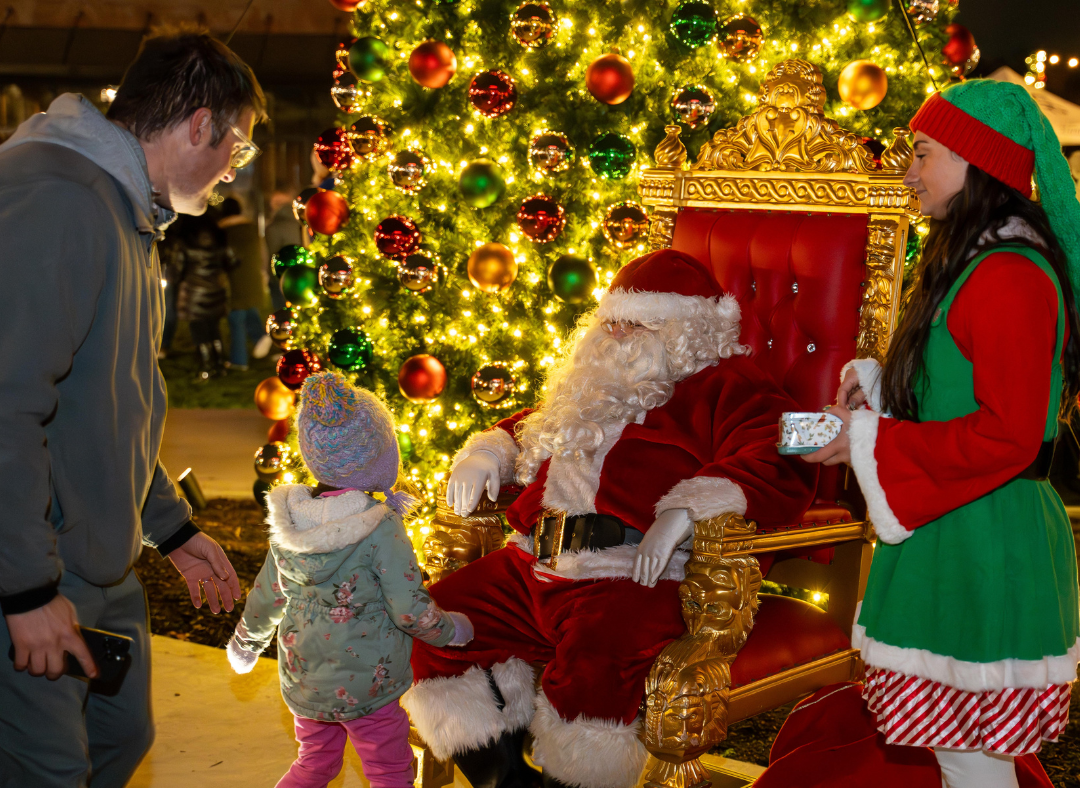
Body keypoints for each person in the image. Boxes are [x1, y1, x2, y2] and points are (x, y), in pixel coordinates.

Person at [402, 249, 817, 788]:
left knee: (596, 666)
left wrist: (688, 508)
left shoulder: (727, 385)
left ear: (686, 328)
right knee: (435, 623)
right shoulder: (591, 387)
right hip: (533, 564)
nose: (618, 333)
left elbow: (776, 453)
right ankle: (505, 782)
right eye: (611, 321)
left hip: (630, 574)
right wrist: (492, 449)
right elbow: (535, 426)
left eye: (637, 322)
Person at [0, 26, 266, 788]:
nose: (232, 173)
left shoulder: (124, 209)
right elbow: (7, 407)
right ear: (198, 126)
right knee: (48, 770)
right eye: (236, 149)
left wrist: (170, 526)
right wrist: (25, 591)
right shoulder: (60, 196)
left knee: (122, 737)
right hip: (35, 566)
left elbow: (105, 404)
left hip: (97, 567)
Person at [805, 80, 1080, 788]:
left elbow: (1007, 437)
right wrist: (884, 390)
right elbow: (959, 385)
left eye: (923, 153)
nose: (908, 170)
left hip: (986, 545)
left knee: (973, 759)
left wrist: (869, 440)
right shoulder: (977, 262)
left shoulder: (1008, 273)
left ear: (976, 161)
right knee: (965, 755)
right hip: (960, 531)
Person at [227, 371, 474, 788]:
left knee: (314, 765)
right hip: (369, 684)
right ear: (379, 459)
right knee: (389, 771)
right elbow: (408, 608)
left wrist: (245, 646)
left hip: (306, 680)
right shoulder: (381, 526)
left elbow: (266, 596)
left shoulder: (291, 524)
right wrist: (452, 631)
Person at [175, 212, 235, 380]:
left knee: (199, 331)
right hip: (216, 290)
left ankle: (206, 367)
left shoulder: (186, 240)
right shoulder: (220, 237)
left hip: (195, 293)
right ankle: (220, 365)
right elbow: (231, 261)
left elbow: (179, 268)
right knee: (214, 328)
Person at [218, 196, 272, 369]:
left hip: (234, 281)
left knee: (236, 319)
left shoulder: (222, 232)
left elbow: (222, 259)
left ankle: (239, 360)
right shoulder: (251, 228)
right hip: (253, 277)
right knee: (251, 311)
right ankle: (261, 340)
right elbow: (262, 252)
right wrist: (263, 272)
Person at [265, 189, 306, 311]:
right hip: (302, 273)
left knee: (282, 311)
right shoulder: (301, 223)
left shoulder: (273, 227)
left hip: (280, 278)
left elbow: (272, 253)